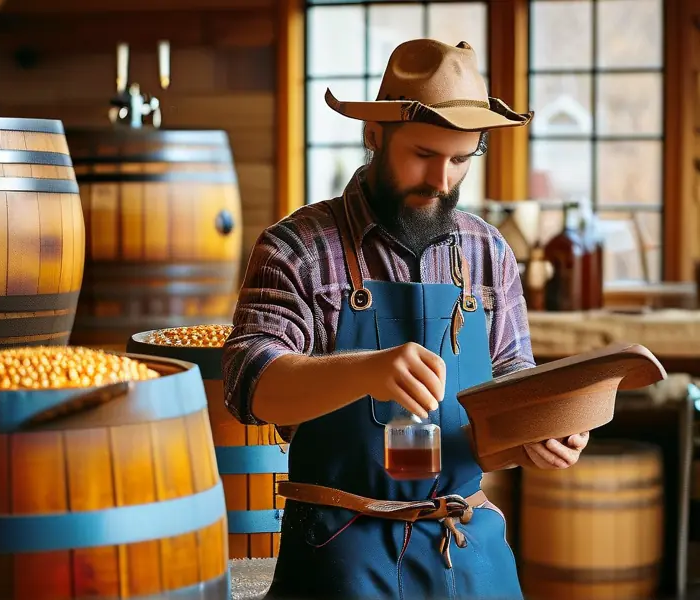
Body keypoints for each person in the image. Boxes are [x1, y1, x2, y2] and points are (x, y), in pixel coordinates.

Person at [222, 38, 590, 600]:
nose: (442, 180)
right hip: (341, 553)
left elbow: (510, 401)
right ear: (375, 136)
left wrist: (540, 436)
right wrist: (365, 370)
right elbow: (249, 384)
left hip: (468, 551)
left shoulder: (490, 254)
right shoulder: (296, 248)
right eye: (423, 154)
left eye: (461, 160)